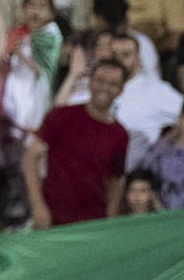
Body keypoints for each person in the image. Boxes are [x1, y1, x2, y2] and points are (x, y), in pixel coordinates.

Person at [26, 61, 130, 226]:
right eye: (100, 80)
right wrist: (38, 205)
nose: (104, 88)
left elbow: (115, 180)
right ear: (91, 81)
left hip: (94, 223)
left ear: (121, 90)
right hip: (53, 219)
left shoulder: (120, 134)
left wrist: (111, 217)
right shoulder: (61, 115)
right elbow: (30, 158)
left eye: (113, 84)